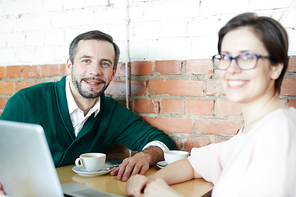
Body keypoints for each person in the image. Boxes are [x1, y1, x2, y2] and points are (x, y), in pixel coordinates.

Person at [126, 12, 296, 197]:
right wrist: (148, 183)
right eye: (225, 57)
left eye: (246, 57)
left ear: (276, 67)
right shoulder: (250, 133)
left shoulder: (280, 132)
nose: (232, 68)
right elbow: (193, 165)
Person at [0, 30, 175, 185]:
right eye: (86, 61)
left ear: (113, 73)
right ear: (69, 65)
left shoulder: (112, 112)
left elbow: (161, 141)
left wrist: (145, 156)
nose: (95, 71)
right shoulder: (26, 102)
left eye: (104, 64)